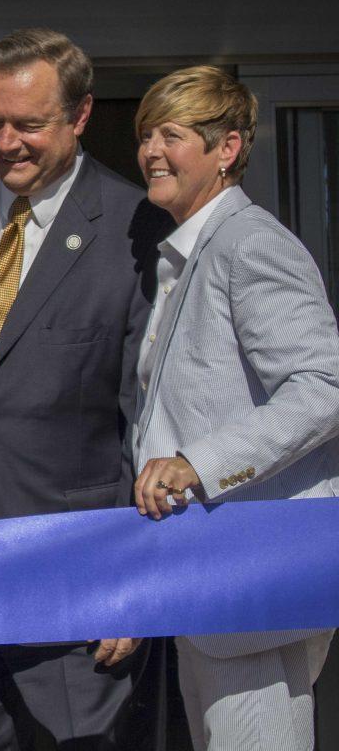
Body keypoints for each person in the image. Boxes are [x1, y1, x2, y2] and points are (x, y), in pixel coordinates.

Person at [0, 28, 170, 749]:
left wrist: (134, 579)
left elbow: (150, 414)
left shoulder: (135, 223)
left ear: (79, 117)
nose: (6, 141)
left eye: (29, 124)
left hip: (78, 571)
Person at [131, 66, 338, 751]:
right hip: (210, 580)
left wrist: (197, 463)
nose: (152, 151)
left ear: (227, 149)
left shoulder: (250, 244)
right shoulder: (189, 255)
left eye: (173, 135)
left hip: (254, 581)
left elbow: (325, 385)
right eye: (145, 135)